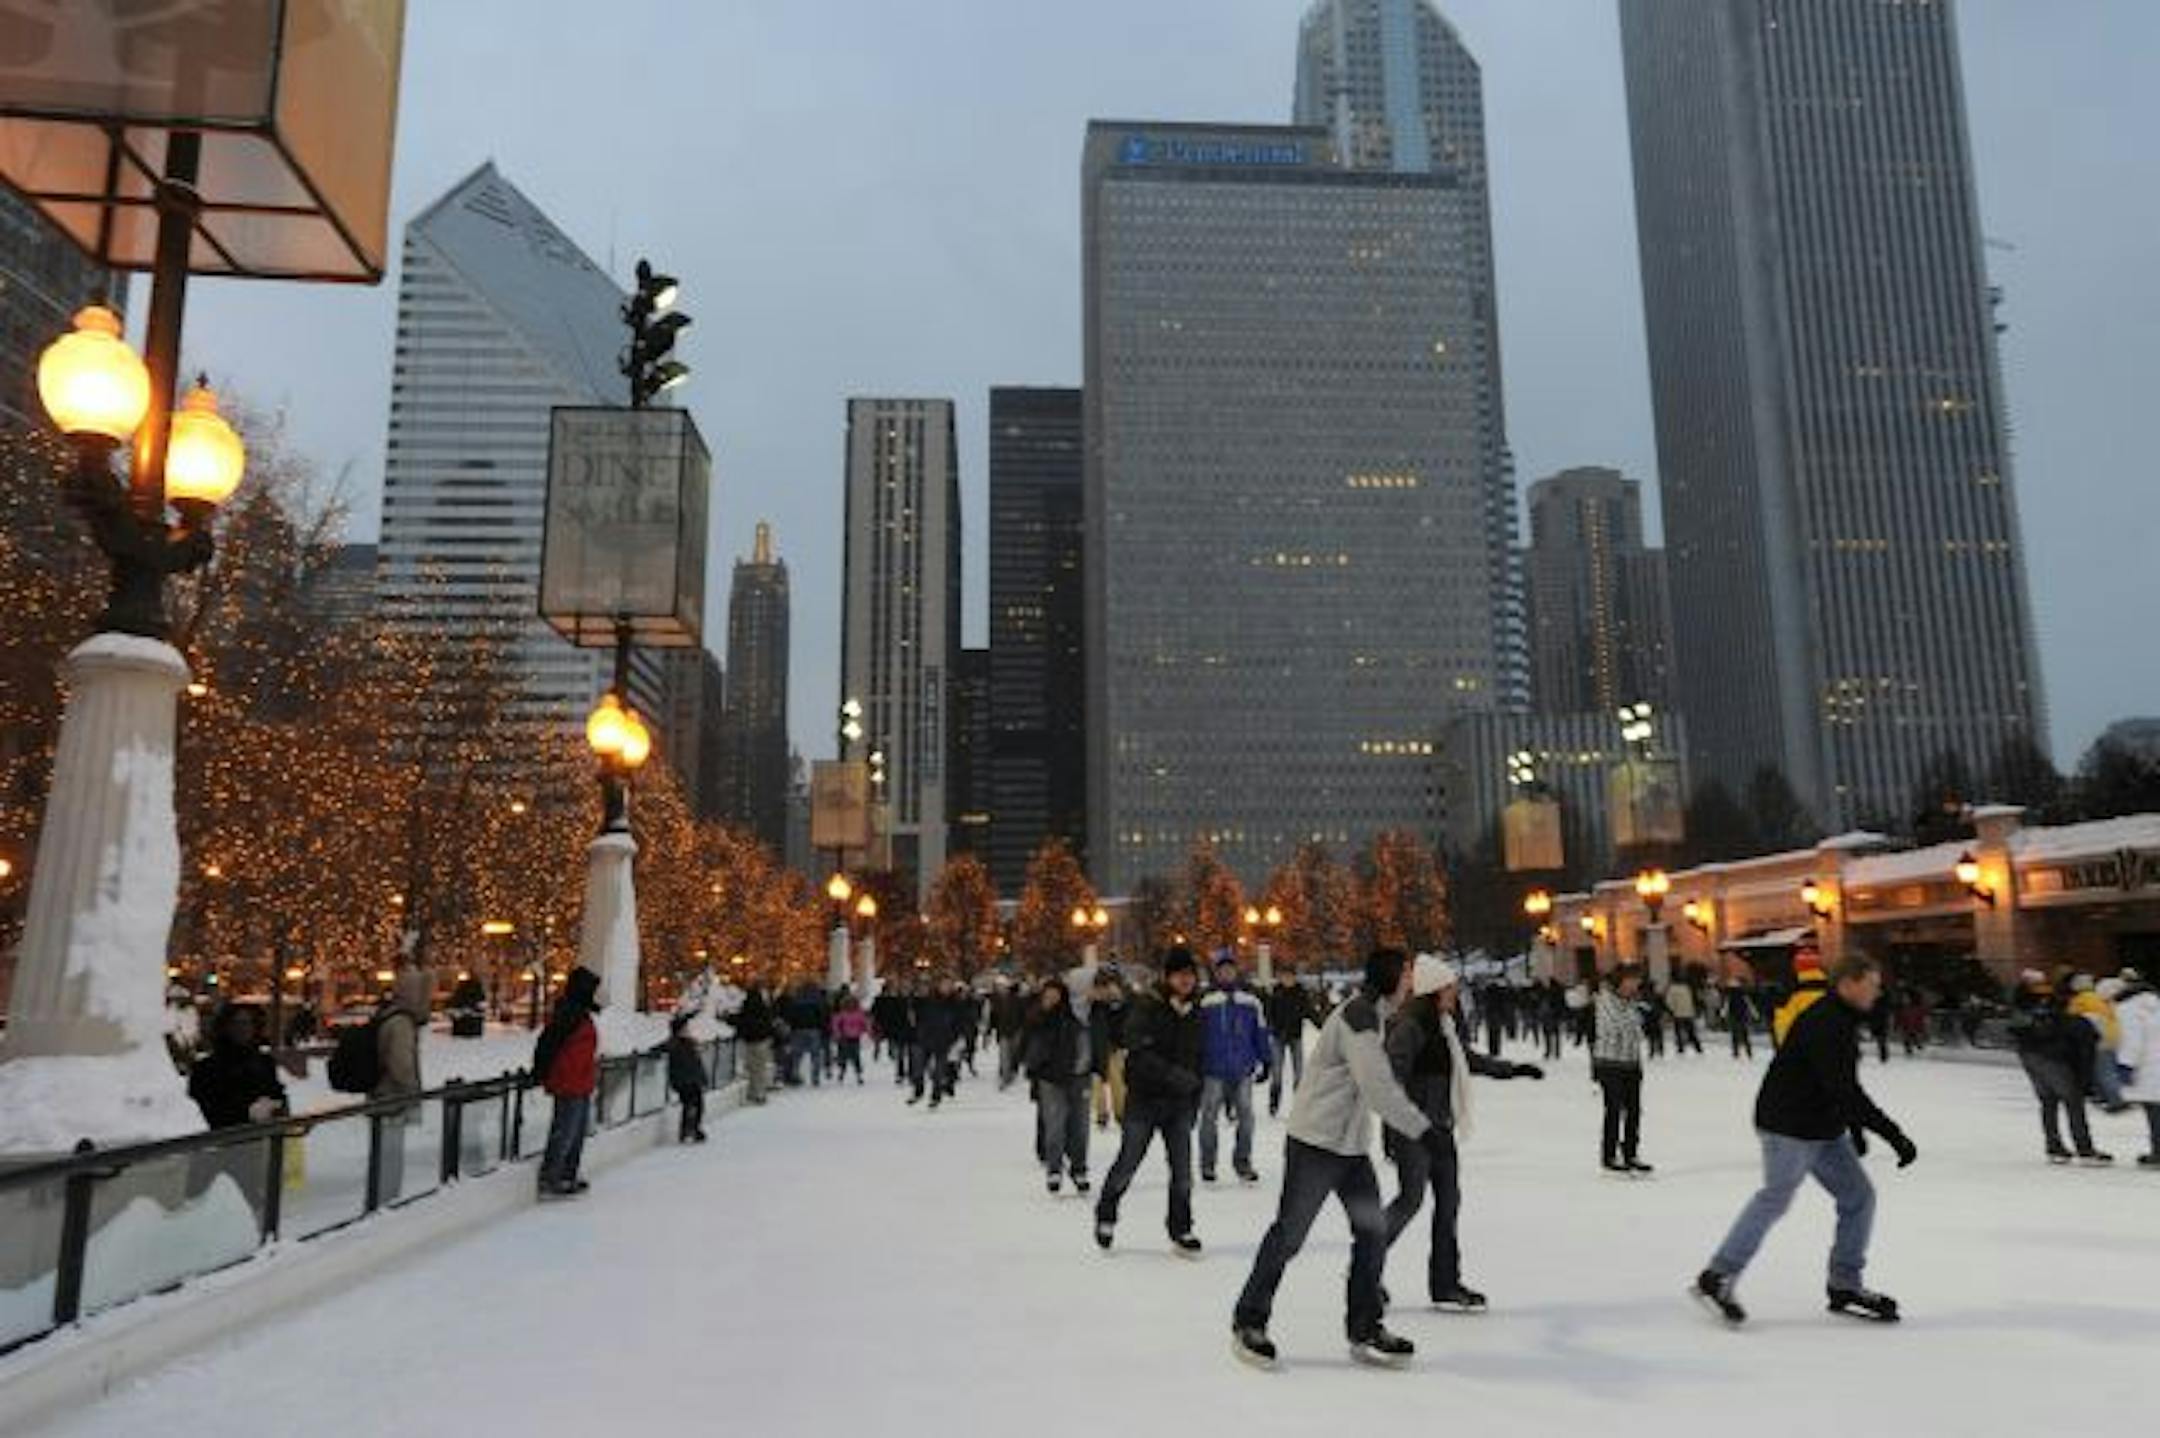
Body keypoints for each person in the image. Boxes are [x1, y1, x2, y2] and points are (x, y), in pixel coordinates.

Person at [1230, 949, 1440, 1371]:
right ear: (1389, 977)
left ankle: (1364, 1326)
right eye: (1405, 975)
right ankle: (1249, 1320)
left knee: (1372, 1233)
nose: (1410, 983)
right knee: (1289, 1235)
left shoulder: (1376, 1014)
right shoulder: (1359, 1016)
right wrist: (1423, 1129)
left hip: (1349, 1148)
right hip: (1315, 1144)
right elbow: (1377, 1086)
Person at [1693, 955, 1917, 1325]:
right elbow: (1844, 1089)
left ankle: (1844, 1283)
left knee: (1858, 1197)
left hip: (1821, 1125)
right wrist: (1892, 1134)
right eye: (1872, 984)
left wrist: (1856, 1128)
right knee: (1775, 1197)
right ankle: (1718, 1275)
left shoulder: (1841, 1018)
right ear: (1849, 982)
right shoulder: (1826, 1023)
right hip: (1788, 1125)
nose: (1878, 992)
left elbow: (1839, 1088)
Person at [1383, 955, 1543, 1313]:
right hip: (1414, 1130)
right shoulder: (1409, 1026)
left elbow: (1466, 1060)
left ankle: (1445, 1284)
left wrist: (1513, 1069)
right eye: (1449, 987)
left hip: (1441, 1127)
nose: (1455, 993)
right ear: (1432, 990)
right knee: (1409, 1202)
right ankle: (1365, 1268)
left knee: (1449, 1204)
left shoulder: (1446, 1025)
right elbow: (1388, 1080)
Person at [1094, 947, 1206, 1256]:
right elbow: (1138, 1051)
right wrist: (1172, 1076)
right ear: (1168, 977)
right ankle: (1106, 1212)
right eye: (1180, 975)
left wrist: (1194, 1093)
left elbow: (1200, 1056)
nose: (1186, 981)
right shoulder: (1147, 1006)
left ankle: (1181, 1228)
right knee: (1129, 1162)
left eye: (1190, 975)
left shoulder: (1197, 1010)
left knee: (1183, 1172)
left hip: (1180, 1104)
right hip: (1145, 1100)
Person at [2009, 973, 2110, 1164]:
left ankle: (2054, 1147)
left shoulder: (2056, 1013)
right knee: (2073, 1101)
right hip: (2052, 1058)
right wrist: (2085, 1086)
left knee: (2048, 1101)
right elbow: (2084, 1061)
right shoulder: (2083, 1029)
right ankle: (2085, 1150)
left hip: (2030, 1054)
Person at [1198, 954, 1271, 1184]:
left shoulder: (1250, 1002)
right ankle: (1208, 1164)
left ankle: (1243, 1161)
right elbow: (1197, 1036)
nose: (1227, 974)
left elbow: (1259, 1032)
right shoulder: (1207, 1002)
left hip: (1242, 1067)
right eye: (1222, 970)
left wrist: (1266, 1059)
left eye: (1230, 969)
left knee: (1246, 1118)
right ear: (1216, 973)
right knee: (1209, 1117)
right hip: (1213, 1067)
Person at [535, 966, 602, 1195]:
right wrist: (541, 1073)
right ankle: (552, 1176)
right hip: (568, 1081)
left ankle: (566, 1174)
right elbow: (547, 1044)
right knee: (565, 1131)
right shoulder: (569, 1014)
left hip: (580, 1081)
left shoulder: (579, 1012)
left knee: (575, 1132)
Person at [1024, 975, 1091, 1194]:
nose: (1051, 998)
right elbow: (1029, 1036)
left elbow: (1087, 1037)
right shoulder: (1038, 1016)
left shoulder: (1074, 1016)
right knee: (1055, 1126)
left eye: (1055, 993)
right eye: (1047, 994)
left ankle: (1079, 1168)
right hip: (1050, 1078)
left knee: (1080, 1127)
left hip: (1078, 1077)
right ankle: (1054, 1169)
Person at [372, 967, 430, 1202]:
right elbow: (401, 1065)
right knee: (389, 1157)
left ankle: (383, 1199)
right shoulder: (401, 1024)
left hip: (381, 1097)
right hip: (392, 1099)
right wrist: (412, 1094)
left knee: (385, 1156)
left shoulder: (388, 1016)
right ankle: (386, 1202)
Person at [187, 1003, 288, 1130]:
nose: (243, 1028)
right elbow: (205, 1113)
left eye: (248, 1022)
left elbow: (277, 1094)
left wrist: (277, 1106)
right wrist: (248, 1112)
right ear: (225, 1027)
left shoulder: (265, 1062)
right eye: (237, 1023)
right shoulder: (205, 1068)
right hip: (226, 1144)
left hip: (266, 1141)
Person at [1593, 966, 1652, 1174]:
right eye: (1631, 981)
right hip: (1609, 1062)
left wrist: (1637, 1021)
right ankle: (1609, 1155)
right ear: (1620, 981)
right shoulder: (1605, 1000)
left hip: (1632, 1062)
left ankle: (1630, 1153)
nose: (1635, 986)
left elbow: (1639, 1030)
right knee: (1614, 1109)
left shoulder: (1632, 1003)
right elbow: (1617, 1026)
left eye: (1637, 981)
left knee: (1634, 1110)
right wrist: (1635, 1019)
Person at [2110, 972, 2160, 1166]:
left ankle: (2158, 1152)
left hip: (2147, 1067)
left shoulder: (2128, 1009)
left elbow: (2133, 1040)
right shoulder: (2155, 1005)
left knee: (2154, 1112)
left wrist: (2126, 1065)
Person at [2066, 973, 2126, 1111]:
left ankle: (2115, 1100)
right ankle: (2104, 1095)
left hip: (2098, 1039)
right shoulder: (2099, 998)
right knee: (2105, 1069)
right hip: (2113, 1036)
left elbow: (2071, 1019)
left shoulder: (2080, 1000)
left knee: (2103, 1071)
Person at [1265, 974, 1312, 1116]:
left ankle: (1299, 1105)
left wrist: (1322, 1024)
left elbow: (1308, 1011)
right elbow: (1269, 1012)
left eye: (1290, 977)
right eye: (1285, 976)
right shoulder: (1275, 993)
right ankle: (1274, 1102)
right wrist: (1271, 1027)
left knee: (1299, 1073)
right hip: (1278, 1036)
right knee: (1277, 1072)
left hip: (1295, 1036)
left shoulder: (1300, 993)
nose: (1287, 980)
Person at [912, 979, 963, 1108]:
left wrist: (953, 1037)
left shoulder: (954, 1003)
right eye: (943, 985)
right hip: (926, 1038)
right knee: (918, 1068)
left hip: (944, 1041)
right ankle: (918, 1090)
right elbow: (916, 1013)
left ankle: (936, 1096)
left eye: (948, 986)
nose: (945, 988)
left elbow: (959, 1022)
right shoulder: (928, 1000)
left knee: (939, 1072)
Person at [1089, 970, 1130, 1129]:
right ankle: (1102, 1113)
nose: (1103, 991)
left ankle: (1120, 1113)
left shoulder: (1119, 1004)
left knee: (1118, 1081)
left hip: (1114, 1047)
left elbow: (1125, 1023)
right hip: (1096, 1046)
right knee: (1097, 1083)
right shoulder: (1092, 1004)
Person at [727, 984, 776, 1104]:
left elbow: (739, 1020)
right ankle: (760, 1094)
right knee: (760, 1069)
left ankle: (752, 1092)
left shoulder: (746, 1007)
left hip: (748, 1041)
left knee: (750, 1068)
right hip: (762, 1041)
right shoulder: (764, 1009)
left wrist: (727, 1018)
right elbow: (769, 1024)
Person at [663, 1011, 708, 1143]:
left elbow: (697, 1063)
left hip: (692, 1080)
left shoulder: (690, 1042)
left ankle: (693, 1128)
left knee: (697, 1104)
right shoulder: (674, 1043)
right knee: (690, 1104)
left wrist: (702, 1078)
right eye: (685, 1028)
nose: (687, 1030)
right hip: (683, 1080)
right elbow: (663, 1048)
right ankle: (689, 1129)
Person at [830, 991, 870, 1085]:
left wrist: (866, 1031)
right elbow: (836, 1024)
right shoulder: (842, 1014)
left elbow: (865, 1023)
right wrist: (837, 1034)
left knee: (856, 1056)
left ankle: (858, 1074)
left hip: (855, 1037)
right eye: (849, 1003)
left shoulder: (859, 1013)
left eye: (852, 1003)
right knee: (843, 1056)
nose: (851, 1005)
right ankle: (842, 1073)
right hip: (844, 1037)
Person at [1667, 977, 1703, 1055]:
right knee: (1691, 1031)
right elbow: (1692, 1000)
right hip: (1688, 1012)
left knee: (1678, 1031)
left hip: (1678, 1013)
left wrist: (1671, 1011)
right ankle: (1698, 1047)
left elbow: (1670, 1002)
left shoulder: (1672, 989)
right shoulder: (1687, 988)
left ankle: (1681, 1047)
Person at [1723, 980, 1755, 1059]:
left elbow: (1725, 1006)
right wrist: (1755, 1014)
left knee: (1734, 1035)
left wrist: (1723, 1015)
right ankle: (1749, 1052)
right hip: (1742, 1016)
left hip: (1733, 1016)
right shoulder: (1743, 995)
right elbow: (1750, 1005)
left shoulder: (1729, 996)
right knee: (1745, 1035)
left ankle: (1736, 1052)